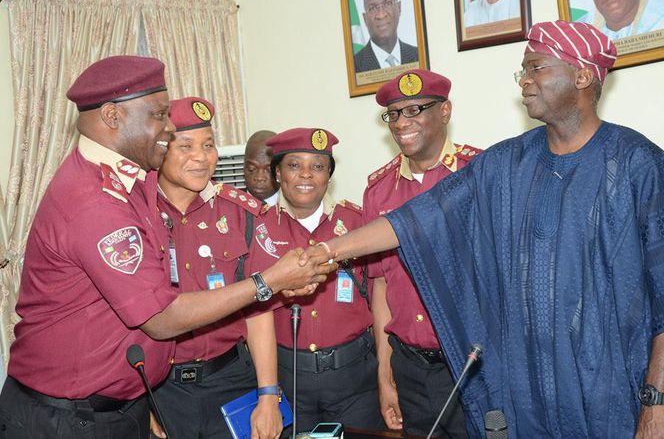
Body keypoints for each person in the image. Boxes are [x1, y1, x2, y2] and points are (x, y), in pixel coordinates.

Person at [301, 20, 664, 437]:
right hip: (527, 401)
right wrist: (327, 251)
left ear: (583, 75)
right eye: (523, 70)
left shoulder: (640, 165)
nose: (524, 81)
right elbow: (414, 220)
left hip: (615, 398)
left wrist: (656, 401)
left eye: (537, 67)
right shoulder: (505, 165)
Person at [0, 56, 334, 438]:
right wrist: (269, 281)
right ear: (112, 117)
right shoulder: (96, 200)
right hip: (68, 418)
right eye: (160, 115)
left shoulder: (130, 183)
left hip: (117, 404)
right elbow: (161, 318)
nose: (170, 127)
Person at [151, 97, 281, 439]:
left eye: (208, 145)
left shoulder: (240, 213)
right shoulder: (135, 214)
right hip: (161, 388)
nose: (201, 156)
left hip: (231, 380)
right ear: (161, 149)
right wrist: (137, 400)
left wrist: (268, 396)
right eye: (186, 146)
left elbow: (258, 310)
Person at [364, 68, 481, 437]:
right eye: (394, 114)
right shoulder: (378, 192)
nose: (401, 123)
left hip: (470, 366)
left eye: (415, 110)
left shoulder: (477, 174)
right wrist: (385, 373)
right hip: (409, 368)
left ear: (445, 111)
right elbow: (380, 286)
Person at [246, 128, 385, 432]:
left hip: (355, 380)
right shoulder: (259, 230)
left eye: (318, 167)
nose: (306, 175)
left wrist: (386, 376)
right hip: (289, 381)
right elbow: (257, 313)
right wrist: (267, 394)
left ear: (329, 176)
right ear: (278, 174)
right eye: (294, 166)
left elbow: (380, 296)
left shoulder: (357, 223)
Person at [354, 0, 418, 73]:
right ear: (365, 19)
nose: (381, 14)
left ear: (399, 7)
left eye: (388, 3)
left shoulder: (420, 56)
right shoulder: (353, 67)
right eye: (373, 8)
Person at [244, 129, 280, 205]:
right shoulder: (229, 206)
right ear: (244, 167)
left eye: (269, 170)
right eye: (252, 169)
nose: (259, 178)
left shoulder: (295, 208)